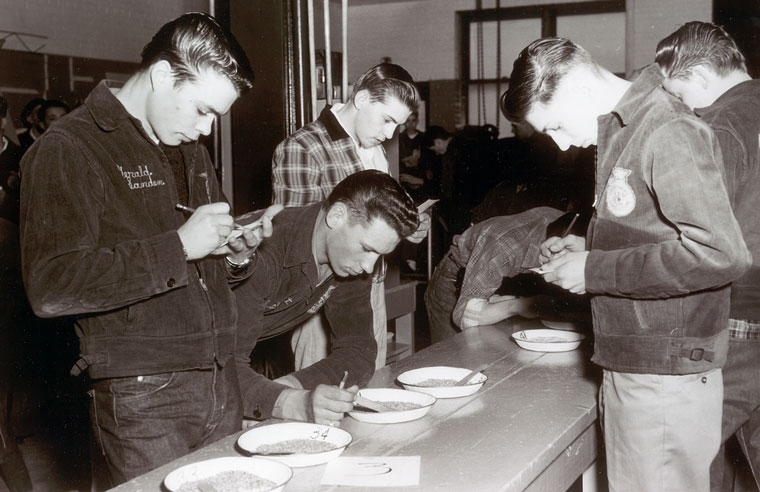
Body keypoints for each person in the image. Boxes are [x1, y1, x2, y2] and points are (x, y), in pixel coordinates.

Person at [19, 12, 280, 486]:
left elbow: (199, 268)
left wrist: (233, 254)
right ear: (162, 75)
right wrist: (180, 245)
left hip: (220, 379)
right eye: (202, 109)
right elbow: (52, 286)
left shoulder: (188, 148)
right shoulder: (69, 148)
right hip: (144, 397)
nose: (205, 129)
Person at [501, 37, 751, 491]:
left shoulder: (666, 129)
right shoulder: (627, 130)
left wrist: (595, 270)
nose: (558, 145)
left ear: (577, 88)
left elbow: (719, 254)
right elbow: (653, 232)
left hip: (664, 373)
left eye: (554, 125)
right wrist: (588, 249)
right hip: (640, 363)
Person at [656, 21, 760, 492]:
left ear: (698, 76)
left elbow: (698, 238)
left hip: (735, 320)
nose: (679, 106)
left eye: (678, 93)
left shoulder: (715, 124)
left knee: (689, 463)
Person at [271, 63, 426, 371]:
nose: (390, 133)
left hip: (370, 287)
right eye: (387, 120)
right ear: (362, 99)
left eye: (398, 125)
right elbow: (295, 243)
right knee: (319, 400)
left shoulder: (374, 151)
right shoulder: (303, 147)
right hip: (322, 302)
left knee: (370, 386)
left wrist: (403, 227)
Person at [235, 170, 418, 425]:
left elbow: (358, 351)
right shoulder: (261, 250)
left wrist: (291, 386)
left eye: (379, 255)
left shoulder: (347, 260)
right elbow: (220, 368)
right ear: (336, 215)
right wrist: (289, 402)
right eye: (366, 248)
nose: (368, 267)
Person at [425, 206, 588, 343]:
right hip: (455, 282)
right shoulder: (505, 246)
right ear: (556, 247)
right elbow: (465, 316)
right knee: (456, 358)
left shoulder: (570, 226)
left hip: (499, 278)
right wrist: (520, 305)